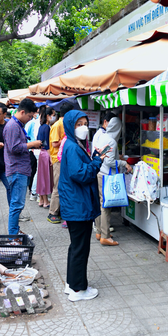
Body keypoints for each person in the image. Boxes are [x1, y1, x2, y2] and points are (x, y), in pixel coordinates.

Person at [59, 109, 105, 301]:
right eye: (79, 125)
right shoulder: (72, 147)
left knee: (76, 246)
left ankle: (71, 284)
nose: (83, 128)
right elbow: (82, 175)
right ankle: (79, 290)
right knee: (80, 248)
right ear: (70, 126)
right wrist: (97, 162)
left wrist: (93, 156)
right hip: (78, 206)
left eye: (85, 123)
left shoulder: (75, 145)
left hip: (76, 204)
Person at [3, 99, 42, 235]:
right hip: (17, 170)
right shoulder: (13, 126)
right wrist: (32, 144)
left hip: (19, 169)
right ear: (23, 112)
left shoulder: (16, 124)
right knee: (16, 204)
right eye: (30, 116)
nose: (30, 119)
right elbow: (14, 148)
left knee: (17, 203)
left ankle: (15, 231)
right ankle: (13, 235)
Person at [95, 116, 132, 246]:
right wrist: (124, 163)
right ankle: (105, 236)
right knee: (106, 206)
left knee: (101, 204)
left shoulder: (103, 137)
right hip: (107, 176)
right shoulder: (112, 141)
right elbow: (109, 161)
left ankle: (100, 232)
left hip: (100, 173)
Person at [47, 101, 74, 224]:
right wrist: (66, 139)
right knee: (57, 186)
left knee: (64, 185)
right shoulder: (58, 125)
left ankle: (61, 211)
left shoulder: (66, 123)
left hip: (66, 159)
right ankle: (52, 212)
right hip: (58, 159)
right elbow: (54, 144)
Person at [36, 106, 56, 208]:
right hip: (47, 154)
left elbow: (39, 142)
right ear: (48, 116)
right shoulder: (48, 128)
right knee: (46, 178)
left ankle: (41, 199)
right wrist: (51, 157)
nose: (54, 117)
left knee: (41, 177)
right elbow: (48, 144)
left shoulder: (41, 126)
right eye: (53, 115)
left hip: (41, 153)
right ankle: (45, 201)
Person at [25, 106, 43, 203]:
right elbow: (26, 135)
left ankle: (34, 191)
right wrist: (31, 146)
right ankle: (33, 191)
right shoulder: (31, 123)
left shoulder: (37, 123)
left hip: (34, 149)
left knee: (35, 170)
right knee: (34, 171)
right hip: (32, 149)